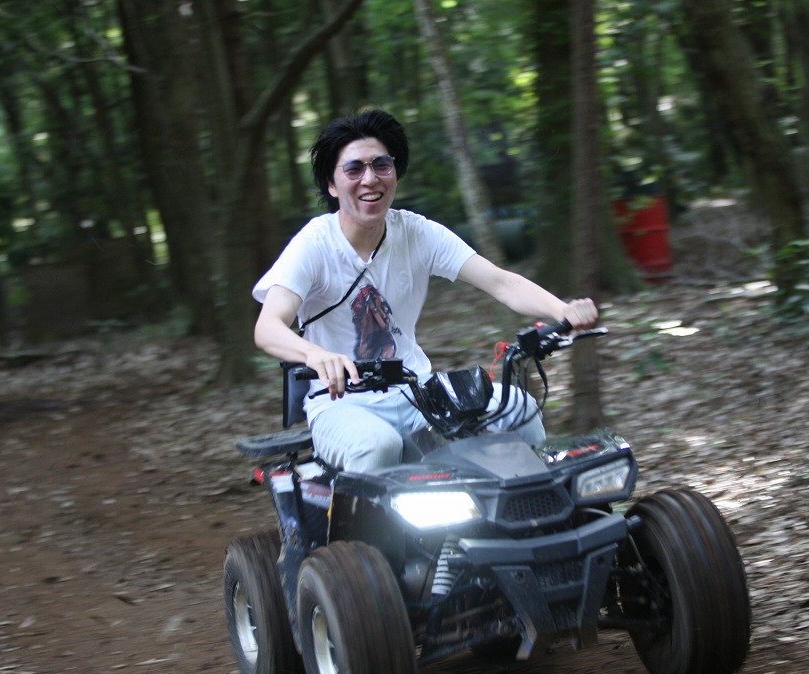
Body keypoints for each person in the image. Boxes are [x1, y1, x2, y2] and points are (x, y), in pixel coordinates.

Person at [253, 109, 597, 472]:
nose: (370, 179)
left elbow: (501, 282)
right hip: (341, 403)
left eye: (381, 165)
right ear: (332, 185)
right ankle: (357, 512)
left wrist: (564, 311)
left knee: (518, 407)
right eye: (354, 169)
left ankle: (535, 499)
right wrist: (314, 355)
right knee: (377, 446)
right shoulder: (314, 245)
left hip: (417, 391)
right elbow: (268, 327)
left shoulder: (417, 233)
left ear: (395, 172)